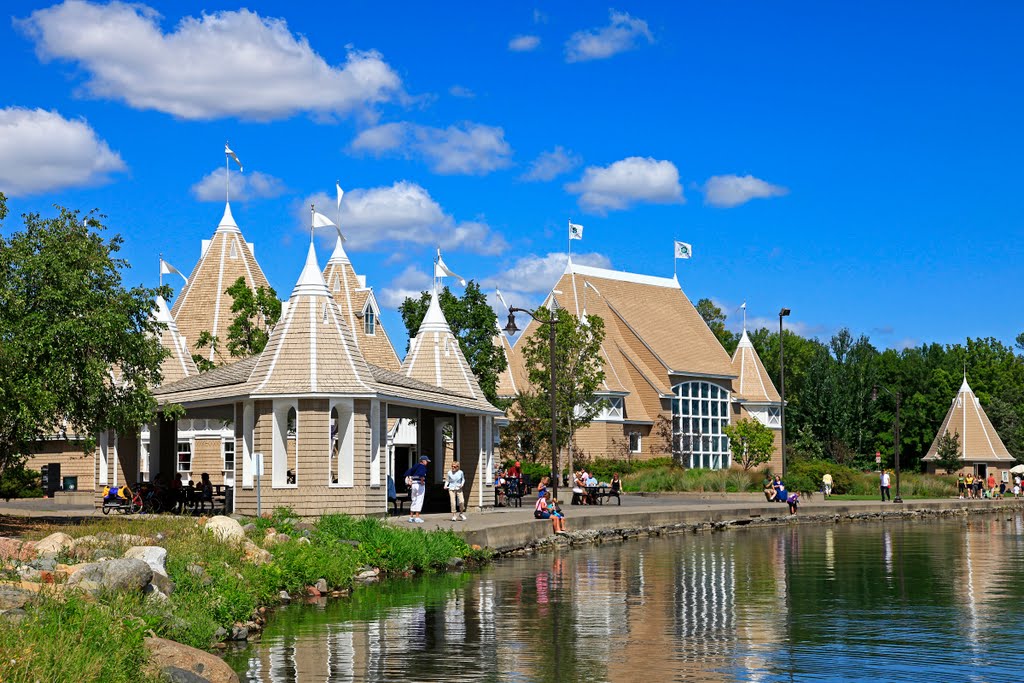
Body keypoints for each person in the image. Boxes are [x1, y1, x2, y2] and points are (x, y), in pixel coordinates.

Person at [404, 455, 430, 523]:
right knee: (419, 499)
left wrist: (409, 480)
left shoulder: (416, 466)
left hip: (414, 484)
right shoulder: (422, 467)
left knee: (414, 499)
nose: (427, 462)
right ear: (423, 461)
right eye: (426, 461)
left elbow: (409, 472)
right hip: (419, 484)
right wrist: (422, 480)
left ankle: (411, 517)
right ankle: (417, 517)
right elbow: (421, 474)